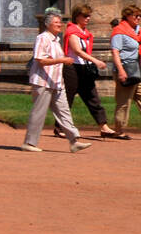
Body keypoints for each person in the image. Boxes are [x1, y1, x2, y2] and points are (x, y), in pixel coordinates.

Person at [22, 13, 91, 154]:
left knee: (64, 111)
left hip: (56, 83)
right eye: (56, 22)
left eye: (60, 22)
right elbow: (39, 60)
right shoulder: (43, 38)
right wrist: (62, 60)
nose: (60, 25)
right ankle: (29, 143)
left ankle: (74, 141)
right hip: (43, 82)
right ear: (48, 24)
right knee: (39, 113)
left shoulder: (55, 40)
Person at [62, 5, 118, 139]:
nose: (88, 18)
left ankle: (103, 126)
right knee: (67, 98)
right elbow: (77, 51)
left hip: (83, 68)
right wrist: (96, 61)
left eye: (89, 16)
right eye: (85, 16)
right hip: (71, 68)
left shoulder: (85, 32)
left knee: (92, 96)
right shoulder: (72, 30)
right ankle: (60, 127)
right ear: (77, 17)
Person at [111, 5, 141, 139]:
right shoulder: (119, 31)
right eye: (135, 15)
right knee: (124, 102)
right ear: (127, 16)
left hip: (140, 70)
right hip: (126, 70)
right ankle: (119, 130)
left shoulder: (139, 31)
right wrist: (121, 71)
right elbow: (115, 52)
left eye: (140, 16)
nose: (138, 18)